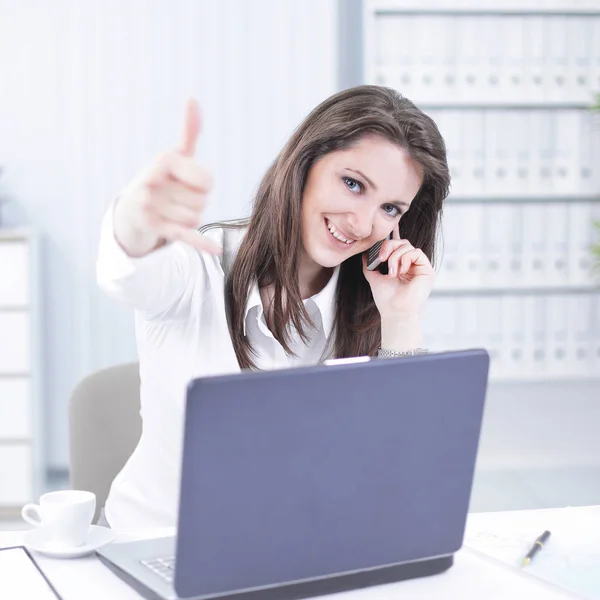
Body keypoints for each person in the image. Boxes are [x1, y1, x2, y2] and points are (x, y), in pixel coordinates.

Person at [96, 85, 450, 529]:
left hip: (291, 547)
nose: (362, 224)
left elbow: (397, 465)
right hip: (158, 544)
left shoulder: (368, 299)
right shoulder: (195, 268)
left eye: (391, 207)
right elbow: (126, 272)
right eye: (353, 184)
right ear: (304, 164)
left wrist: (400, 319)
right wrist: (137, 216)